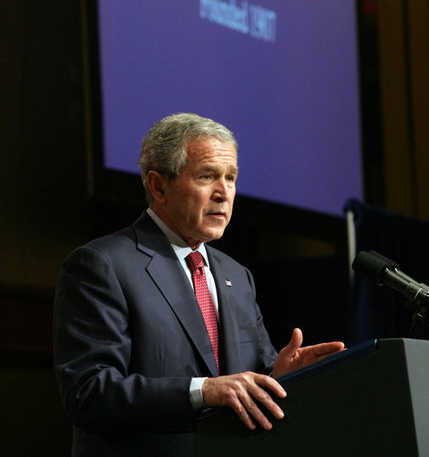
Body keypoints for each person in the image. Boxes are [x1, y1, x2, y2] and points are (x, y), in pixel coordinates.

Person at [54, 113, 345, 456]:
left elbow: (248, 378)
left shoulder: (236, 275)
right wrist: (203, 391)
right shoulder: (103, 265)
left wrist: (282, 377)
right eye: (207, 176)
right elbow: (90, 395)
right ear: (158, 186)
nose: (224, 193)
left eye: (231, 178)